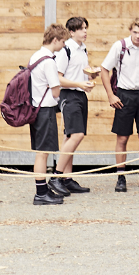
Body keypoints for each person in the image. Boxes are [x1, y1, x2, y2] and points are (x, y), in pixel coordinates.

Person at [98, 18, 139, 192]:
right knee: (122, 137)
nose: (138, 36)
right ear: (130, 31)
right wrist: (111, 95)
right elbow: (104, 69)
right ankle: (121, 176)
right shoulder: (120, 46)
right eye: (135, 32)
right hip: (125, 94)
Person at [49, 16, 96, 196]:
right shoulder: (65, 49)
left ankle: (67, 178)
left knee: (70, 135)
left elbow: (80, 72)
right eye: (81, 29)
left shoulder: (82, 49)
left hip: (80, 94)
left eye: (85, 28)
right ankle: (56, 176)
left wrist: (90, 78)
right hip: (69, 95)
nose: (85, 31)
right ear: (72, 32)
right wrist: (79, 83)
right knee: (77, 134)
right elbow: (58, 77)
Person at [28, 25, 70, 206]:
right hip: (45, 109)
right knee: (43, 153)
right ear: (55, 40)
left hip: (36, 108)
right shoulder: (49, 61)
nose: (63, 45)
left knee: (41, 152)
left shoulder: (35, 56)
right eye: (62, 41)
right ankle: (40, 193)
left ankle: (43, 189)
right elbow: (55, 91)